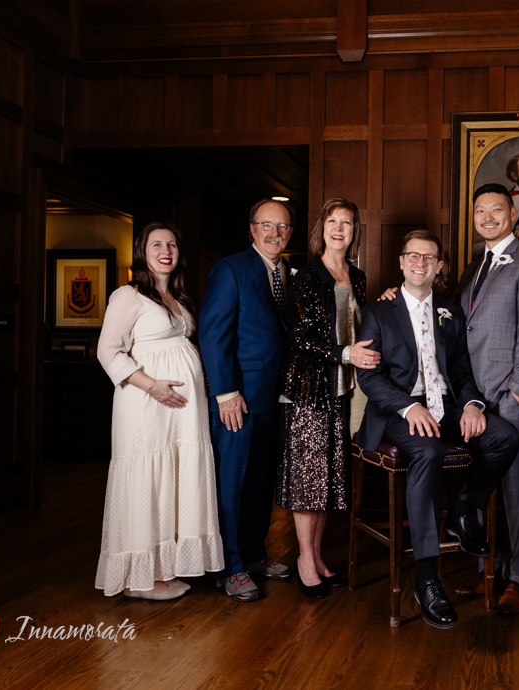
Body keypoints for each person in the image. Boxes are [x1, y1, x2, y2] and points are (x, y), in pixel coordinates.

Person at [356, 230, 519, 629]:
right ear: (401, 262)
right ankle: (428, 579)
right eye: (413, 256)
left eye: (429, 258)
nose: (420, 264)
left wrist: (471, 405)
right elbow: (369, 377)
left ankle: (463, 510)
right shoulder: (378, 311)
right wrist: (408, 405)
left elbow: (461, 370)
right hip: (397, 412)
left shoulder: (450, 312)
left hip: (445, 407)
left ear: (439, 266)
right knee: (427, 452)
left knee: (505, 436)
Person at [95, 222, 224, 599]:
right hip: (146, 406)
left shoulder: (179, 299)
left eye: (171, 244)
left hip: (181, 412)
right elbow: (107, 351)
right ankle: (140, 578)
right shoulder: (128, 296)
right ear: (142, 251)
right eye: (156, 244)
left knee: (175, 479)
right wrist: (153, 386)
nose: (165, 250)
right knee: (147, 481)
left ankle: (162, 568)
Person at [451, 183, 519, 616]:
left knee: (513, 491)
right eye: (480, 210)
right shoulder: (474, 267)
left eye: (496, 209)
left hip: (508, 399)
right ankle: (485, 569)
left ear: (512, 214)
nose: (487, 217)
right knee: (480, 484)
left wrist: (517, 392)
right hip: (471, 401)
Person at [277, 198, 377, 598]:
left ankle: (316, 557)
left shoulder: (357, 275)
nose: (339, 229)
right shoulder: (306, 276)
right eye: (333, 222)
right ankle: (304, 560)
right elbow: (300, 339)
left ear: (355, 230)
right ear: (322, 228)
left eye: (347, 222)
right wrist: (344, 354)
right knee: (307, 481)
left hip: (342, 390)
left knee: (326, 480)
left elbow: (359, 323)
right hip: (307, 390)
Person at [199, 199, 297, 602]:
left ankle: (255, 554)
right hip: (236, 399)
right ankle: (231, 566)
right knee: (233, 483)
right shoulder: (230, 268)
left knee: (260, 482)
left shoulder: (286, 273)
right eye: (267, 225)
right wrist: (225, 392)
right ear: (252, 229)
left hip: (275, 398)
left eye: (283, 227)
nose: (276, 234)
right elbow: (212, 334)